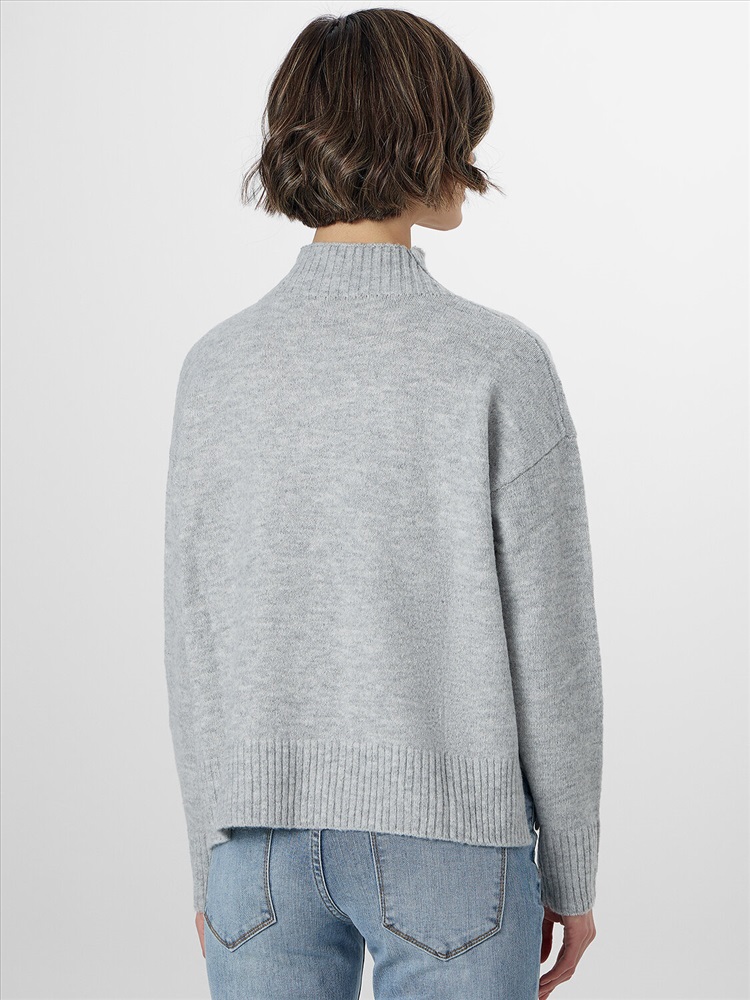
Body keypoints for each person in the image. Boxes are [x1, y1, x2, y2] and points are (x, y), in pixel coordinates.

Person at [163, 8, 603, 1000]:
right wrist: (572, 871)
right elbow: (555, 646)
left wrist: (207, 859)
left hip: (254, 850)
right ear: (421, 139)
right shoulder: (497, 361)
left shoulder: (216, 368)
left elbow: (195, 640)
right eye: (462, 133)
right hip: (452, 843)